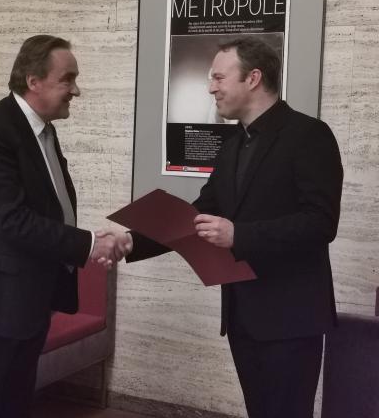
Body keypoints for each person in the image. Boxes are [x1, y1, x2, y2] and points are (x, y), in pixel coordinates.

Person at [121, 37, 343, 418]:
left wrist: (239, 235)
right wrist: (130, 240)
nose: (211, 88)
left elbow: (321, 223)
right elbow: (196, 215)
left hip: (292, 320)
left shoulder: (309, 135)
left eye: (219, 77)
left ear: (253, 78)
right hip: (243, 318)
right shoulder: (231, 145)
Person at [0, 35, 130, 418]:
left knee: (14, 406)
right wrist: (89, 244)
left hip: (29, 300)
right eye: (68, 79)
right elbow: (12, 221)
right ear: (34, 81)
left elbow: (48, 208)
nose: (76, 90)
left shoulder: (42, 129)